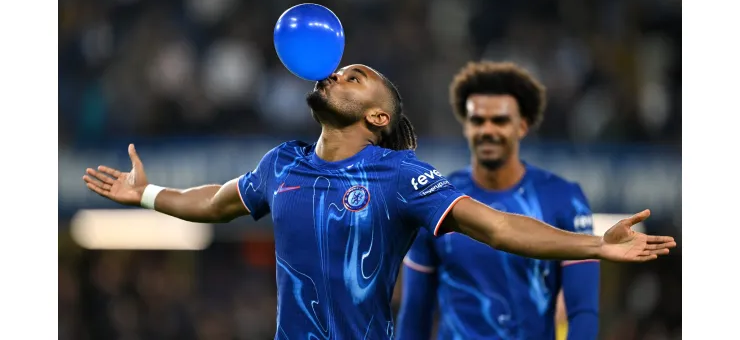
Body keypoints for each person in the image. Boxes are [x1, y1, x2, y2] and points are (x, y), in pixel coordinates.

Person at [82, 64, 675, 339]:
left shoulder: (399, 175)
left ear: (378, 116)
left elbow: (497, 226)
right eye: (339, 72)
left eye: (356, 75)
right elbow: (214, 204)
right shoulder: (281, 163)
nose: (338, 73)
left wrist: (595, 244)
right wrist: (150, 194)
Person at [396, 61, 602, 340]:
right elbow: (415, 314)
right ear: (466, 127)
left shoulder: (564, 199)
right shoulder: (436, 200)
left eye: (500, 121)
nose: (488, 130)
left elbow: (583, 312)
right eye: (477, 121)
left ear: (523, 126)